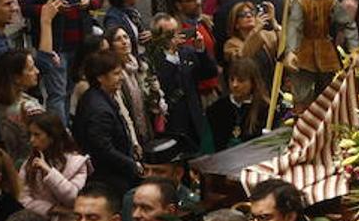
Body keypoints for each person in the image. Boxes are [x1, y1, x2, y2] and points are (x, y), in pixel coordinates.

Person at [286, 0, 359, 108]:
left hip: (326, 51)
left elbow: (348, 23)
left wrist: (354, 49)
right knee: (302, 95)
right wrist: (291, 51)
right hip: (303, 51)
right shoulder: (300, 0)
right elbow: (294, 26)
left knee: (328, 94)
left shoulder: (330, 0)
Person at [72, 50, 142, 196]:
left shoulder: (96, 96)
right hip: (110, 179)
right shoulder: (99, 109)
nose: (121, 77)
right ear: (100, 77)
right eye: (116, 74)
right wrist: (131, 164)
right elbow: (103, 149)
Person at [18, 113, 89, 221]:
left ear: (52, 137)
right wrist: (51, 208)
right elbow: (23, 198)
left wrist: (49, 172)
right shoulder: (28, 166)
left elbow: (73, 198)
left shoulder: (77, 163)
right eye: (30, 135)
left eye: (37, 135)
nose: (32, 140)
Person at [149, 13, 218, 153]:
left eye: (177, 31)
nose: (176, 36)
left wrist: (200, 50)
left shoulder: (187, 53)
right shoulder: (153, 60)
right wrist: (170, 54)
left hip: (195, 119)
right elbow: (165, 83)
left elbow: (210, 72)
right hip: (173, 123)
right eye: (170, 33)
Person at [0, 49, 43, 166]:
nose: (37, 71)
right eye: (31, 69)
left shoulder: (1, 104)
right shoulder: (29, 109)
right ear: (16, 77)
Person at [207, 56, 268, 151]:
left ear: (252, 82)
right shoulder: (216, 109)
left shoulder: (264, 109)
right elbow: (208, 146)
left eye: (241, 80)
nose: (235, 85)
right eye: (232, 80)